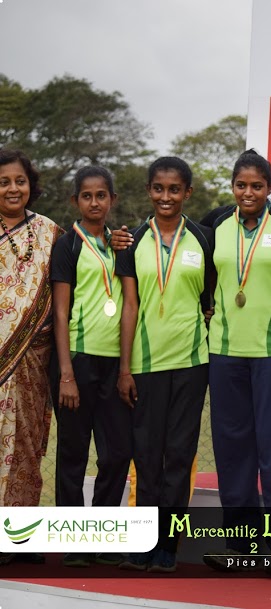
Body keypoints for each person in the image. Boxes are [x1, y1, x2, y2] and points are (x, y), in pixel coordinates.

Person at [200, 150, 271, 569]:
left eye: (257, 186)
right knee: (231, 447)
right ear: (232, 187)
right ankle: (239, 542)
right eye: (241, 185)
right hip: (224, 351)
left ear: (270, 188)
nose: (248, 192)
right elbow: (199, 274)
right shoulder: (214, 224)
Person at [115, 157, 214, 573]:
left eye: (175, 189)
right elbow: (130, 306)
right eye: (158, 189)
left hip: (192, 362)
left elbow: (211, 300)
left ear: (187, 192)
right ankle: (144, 541)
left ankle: (168, 545)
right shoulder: (132, 241)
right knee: (147, 454)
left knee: (179, 453)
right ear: (149, 191)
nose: (166, 197)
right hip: (145, 363)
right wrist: (124, 368)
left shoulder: (204, 239)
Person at [51, 166, 132, 567]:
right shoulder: (68, 246)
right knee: (73, 453)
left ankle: (102, 533)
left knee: (117, 452)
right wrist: (65, 374)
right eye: (87, 196)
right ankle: (74, 542)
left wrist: (125, 369)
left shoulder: (121, 244)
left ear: (112, 200)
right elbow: (61, 313)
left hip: (115, 361)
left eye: (102, 195)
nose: (95, 202)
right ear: (75, 202)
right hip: (77, 364)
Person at [0, 149, 62, 519]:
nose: (12, 189)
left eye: (19, 181)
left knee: (25, 446)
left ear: (30, 184)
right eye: (4, 182)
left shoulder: (50, 233)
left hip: (33, 363)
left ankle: (16, 535)